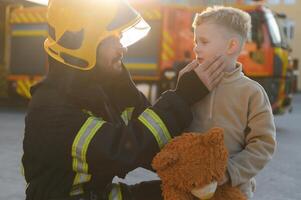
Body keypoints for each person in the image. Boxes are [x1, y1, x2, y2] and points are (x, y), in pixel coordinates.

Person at [22, 0, 226, 200]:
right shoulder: (50, 110)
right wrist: (182, 98)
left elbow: (154, 141)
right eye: (115, 39)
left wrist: (206, 171)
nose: (123, 48)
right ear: (84, 42)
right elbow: (121, 152)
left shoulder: (107, 88)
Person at [187, 6, 276, 199]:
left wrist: (230, 172)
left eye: (203, 41)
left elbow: (263, 144)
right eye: (195, 41)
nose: (196, 47)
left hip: (234, 189)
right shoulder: (189, 81)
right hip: (190, 186)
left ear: (231, 46)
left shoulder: (252, 92)